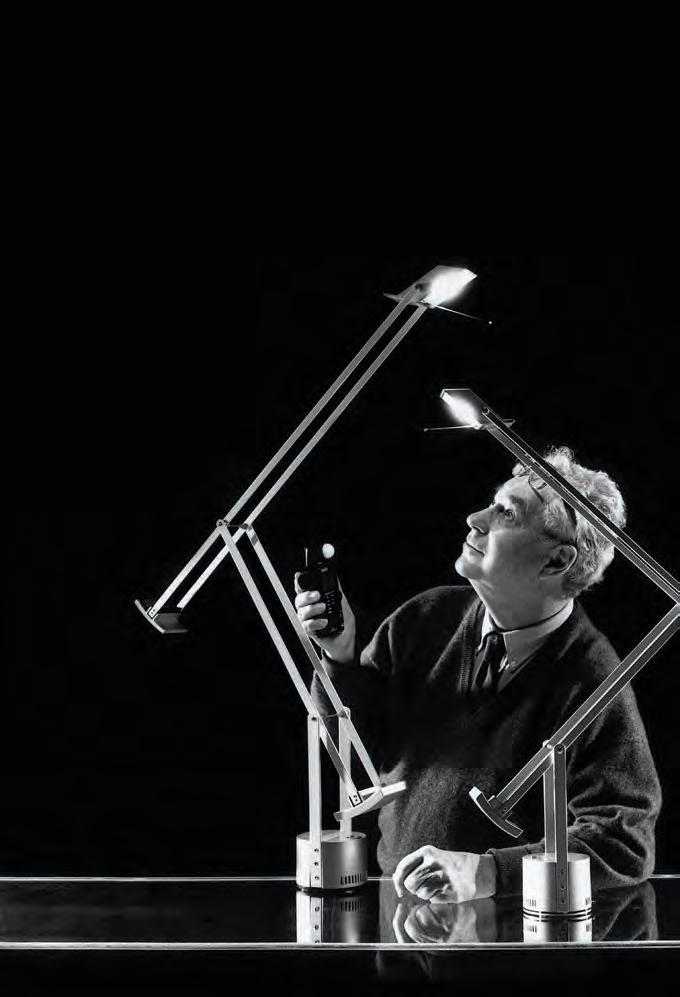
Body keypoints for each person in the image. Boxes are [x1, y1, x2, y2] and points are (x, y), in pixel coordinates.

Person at [295, 447, 661, 903]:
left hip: (512, 936)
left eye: (507, 513)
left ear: (556, 561)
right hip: (398, 923)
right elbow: (355, 758)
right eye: (492, 502)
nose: (474, 519)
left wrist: (489, 874)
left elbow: (624, 842)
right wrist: (340, 655)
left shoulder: (594, 680)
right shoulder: (423, 618)